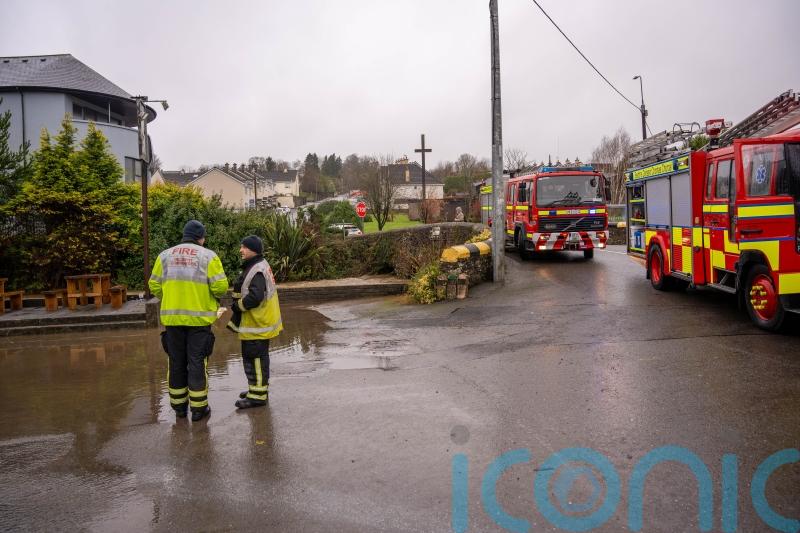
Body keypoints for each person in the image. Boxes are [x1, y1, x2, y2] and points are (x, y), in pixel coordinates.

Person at [149, 220, 228, 422]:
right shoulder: (209, 256)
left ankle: (179, 408)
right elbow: (220, 288)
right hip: (199, 321)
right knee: (196, 362)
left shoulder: (164, 256)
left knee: (176, 362)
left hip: (173, 320)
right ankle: (199, 409)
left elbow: (154, 286)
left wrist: (170, 297)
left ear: (184, 235)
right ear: (201, 238)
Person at [227, 235, 283, 409]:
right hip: (258, 324)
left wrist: (238, 307)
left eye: (244, 247)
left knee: (255, 360)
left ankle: (257, 396)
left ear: (253, 250)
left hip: (257, 324)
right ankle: (256, 389)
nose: (241, 250)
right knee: (256, 359)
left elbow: (255, 297)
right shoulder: (259, 265)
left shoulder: (257, 269)